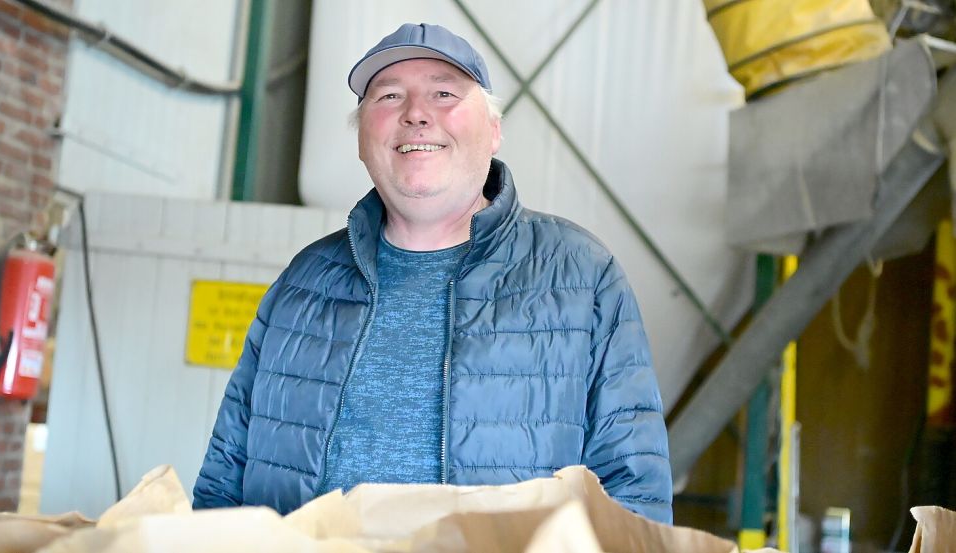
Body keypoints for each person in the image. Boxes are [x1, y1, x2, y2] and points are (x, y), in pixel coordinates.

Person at [193, 22, 673, 524]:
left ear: (493, 130)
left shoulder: (581, 276)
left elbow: (634, 495)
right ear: (361, 137)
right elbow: (225, 479)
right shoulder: (305, 282)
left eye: (444, 93)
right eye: (389, 95)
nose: (416, 114)